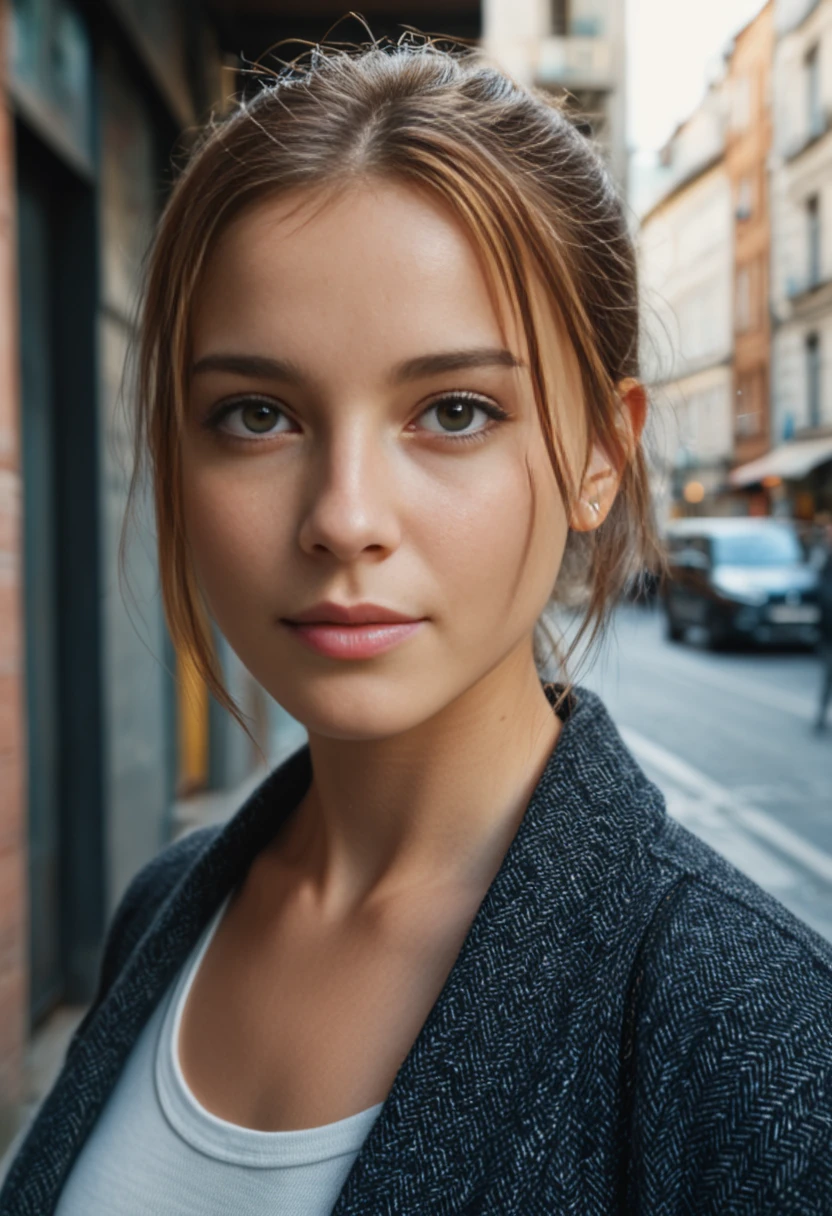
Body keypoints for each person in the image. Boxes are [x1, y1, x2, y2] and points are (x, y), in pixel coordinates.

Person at [2, 39, 831, 1216]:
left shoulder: (751, 1032)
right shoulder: (166, 906)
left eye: (453, 411)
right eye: (255, 414)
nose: (344, 518)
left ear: (602, 452)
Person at [815, 514, 832, 732]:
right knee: (829, 675)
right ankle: (821, 714)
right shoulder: (826, 561)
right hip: (829, 630)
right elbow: (822, 592)